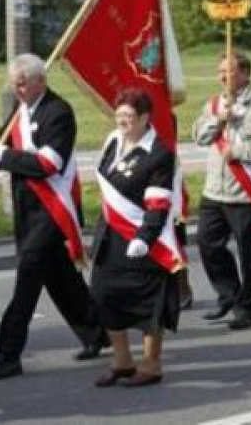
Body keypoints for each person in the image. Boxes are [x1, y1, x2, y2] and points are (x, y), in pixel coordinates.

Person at [0, 53, 107, 381]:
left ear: (41, 80)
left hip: (51, 212)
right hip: (26, 211)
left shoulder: (58, 112)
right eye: (15, 84)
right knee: (60, 278)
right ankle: (95, 330)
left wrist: (6, 156)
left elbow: (47, 165)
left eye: (23, 83)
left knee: (27, 281)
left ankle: (7, 354)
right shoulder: (21, 111)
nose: (18, 89)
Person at [90, 89, 183, 388]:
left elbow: (158, 203)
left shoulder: (158, 154)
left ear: (145, 118)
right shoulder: (112, 141)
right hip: (110, 235)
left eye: (129, 116)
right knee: (105, 295)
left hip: (143, 239)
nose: (123, 122)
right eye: (119, 115)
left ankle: (151, 364)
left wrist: (144, 236)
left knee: (147, 303)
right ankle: (122, 361)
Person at [193, 51, 251, 330]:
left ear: (244, 72)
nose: (222, 76)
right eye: (220, 71)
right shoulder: (215, 103)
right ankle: (228, 294)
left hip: (244, 192)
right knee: (207, 244)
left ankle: (246, 307)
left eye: (229, 71)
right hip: (214, 190)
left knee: (248, 252)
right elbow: (199, 136)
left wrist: (239, 150)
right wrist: (218, 119)